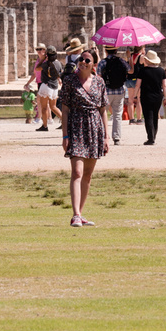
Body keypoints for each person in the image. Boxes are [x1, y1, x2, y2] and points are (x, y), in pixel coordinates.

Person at [58, 49, 107, 227]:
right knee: (77, 172)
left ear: (94, 64)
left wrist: (106, 137)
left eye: (87, 60)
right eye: (81, 59)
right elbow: (64, 110)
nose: (83, 62)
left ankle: (81, 213)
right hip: (76, 127)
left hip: (94, 128)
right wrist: (65, 135)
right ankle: (75, 214)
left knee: (87, 175)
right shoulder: (70, 81)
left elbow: (103, 110)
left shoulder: (100, 82)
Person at [133, 49, 166, 145]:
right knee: (155, 116)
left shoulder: (143, 71)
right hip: (158, 96)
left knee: (148, 116)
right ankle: (153, 136)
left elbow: (137, 85)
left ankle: (150, 137)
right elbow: (164, 85)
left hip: (146, 95)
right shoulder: (161, 71)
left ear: (147, 60)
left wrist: (135, 96)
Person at [101, 47, 131, 143]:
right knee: (117, 114)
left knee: (102, 113)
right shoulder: (121, 61)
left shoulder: (103, 62)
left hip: (106, 91)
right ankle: (116, 137)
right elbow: (130, 70)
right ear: (116, 51)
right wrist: (129, 57)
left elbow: (98, 75)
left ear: (106, 51)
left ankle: (102, 135)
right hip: (119, 90)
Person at [34, 47, 61, 132]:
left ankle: (45, 126)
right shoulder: (58, 63)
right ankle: (66, 122)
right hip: (55, 87)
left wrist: (43, 59)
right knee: (53, 107)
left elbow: (37, 68)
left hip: (46, 86)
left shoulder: (46, 64)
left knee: (44, 107)